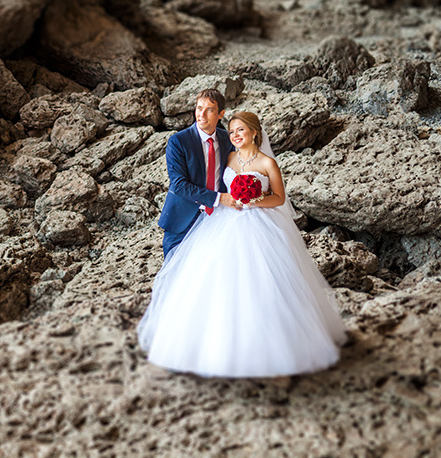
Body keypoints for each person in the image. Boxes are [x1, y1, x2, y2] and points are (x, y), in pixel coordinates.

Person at [137, 111, 347, 378]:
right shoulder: (229, 157)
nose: (235, 136)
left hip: (260, 223)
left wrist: (254, 200)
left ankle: (270, 346)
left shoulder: (268, 163)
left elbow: (279, 198)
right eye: (232, 131)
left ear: (254, 133)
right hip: (223, 222)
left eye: (240, 131)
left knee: (263, 278)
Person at [158, 89, 237, 258]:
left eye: (209, 110)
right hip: (183, 219)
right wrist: (219, 198)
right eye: (199, 108)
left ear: (221, 114)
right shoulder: (178, 141)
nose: (201, 114)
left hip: (219, 218)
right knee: (175, 275)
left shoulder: (227, 140)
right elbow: (178, 184)